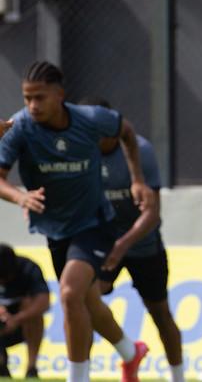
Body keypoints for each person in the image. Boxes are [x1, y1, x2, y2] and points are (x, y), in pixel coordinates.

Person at [0, 61, 153, 382]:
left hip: (95, 223)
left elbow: (126, 131)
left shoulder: (91, 119)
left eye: (39, 97)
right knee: (88, 302)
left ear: (60, 95)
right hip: (56, 229)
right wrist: (20, 197)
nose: (32, 105)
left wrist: (137, 179)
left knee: (69, 294)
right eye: (27, 98)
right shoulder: (21, 127)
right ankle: (131, 351)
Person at [78, 97, 184, 382]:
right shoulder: (81, 150)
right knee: (84, 304)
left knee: (160, 313)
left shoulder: (141, 151)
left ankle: (177, 377)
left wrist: (122, 245)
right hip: (102, 241)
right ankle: (110, 360)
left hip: (142, 243)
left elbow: (152, 213)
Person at [0, 244, 50, 378]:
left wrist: (16, 319)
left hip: (21, 326)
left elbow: (44, 302)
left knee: (31, 308)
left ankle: (31, 368)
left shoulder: (28, 269)